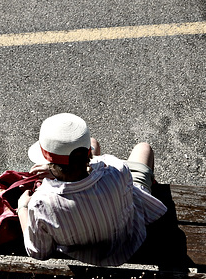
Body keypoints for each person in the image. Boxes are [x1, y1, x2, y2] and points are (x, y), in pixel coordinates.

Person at [17, 113, 167, 267]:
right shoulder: (117, 170)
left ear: (49, 161)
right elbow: (99, 163)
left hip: (82, 254)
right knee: (144, 148)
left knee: (96, 143)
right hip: (130, 241)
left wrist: (23, 207)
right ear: (87, 153)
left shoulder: (40, 203)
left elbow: (39, 252)